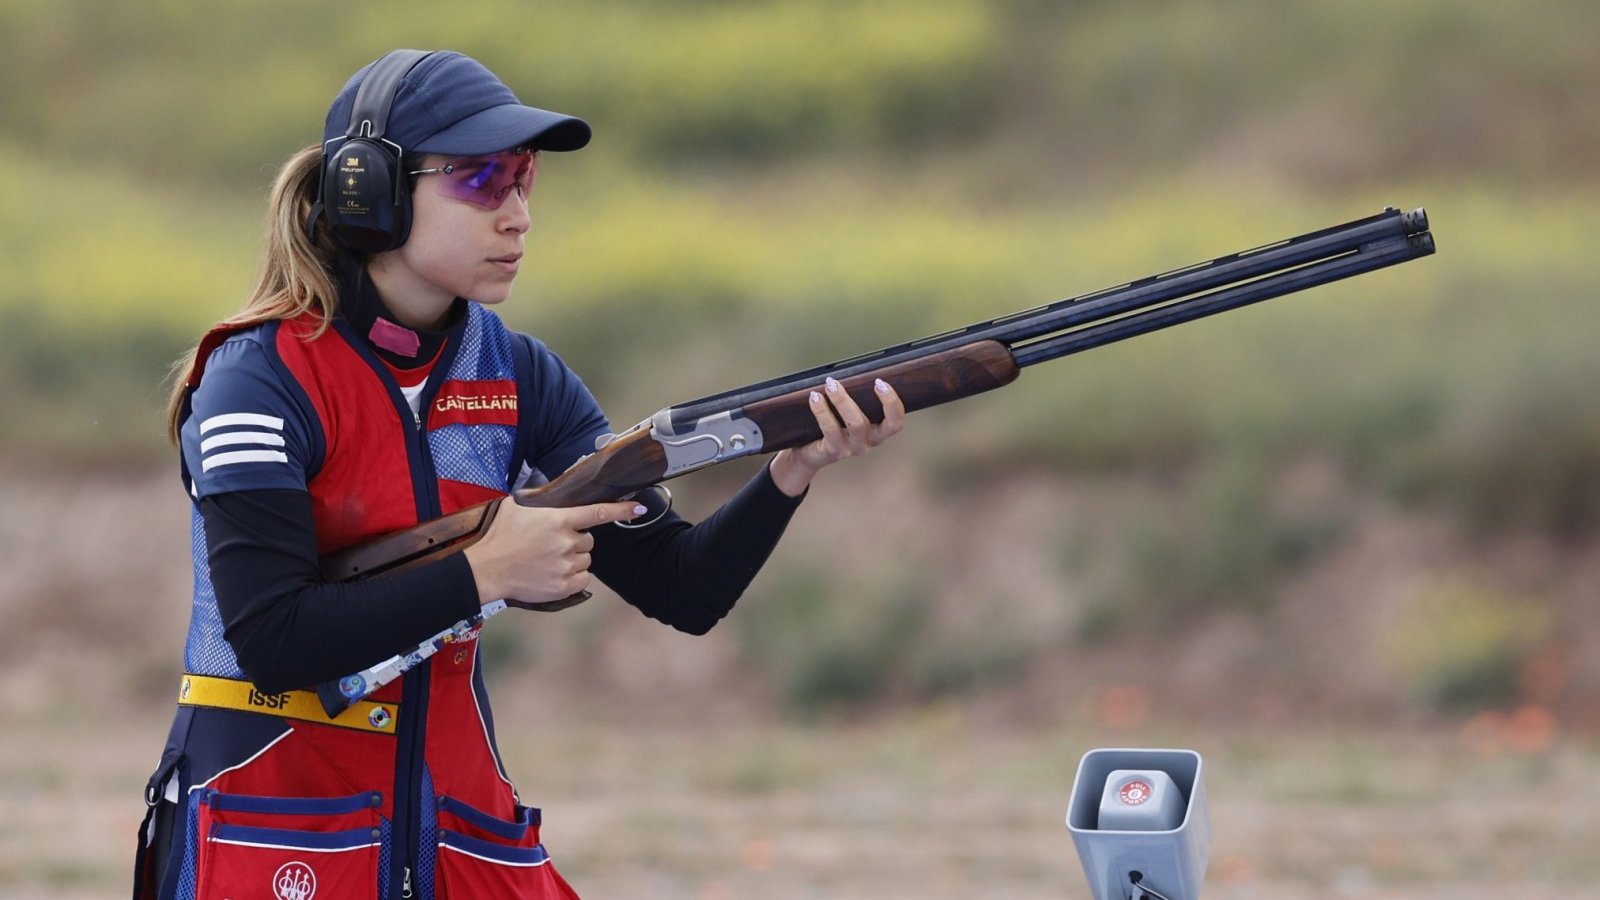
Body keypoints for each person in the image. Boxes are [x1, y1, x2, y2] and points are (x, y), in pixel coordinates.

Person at [133, 49, 903, 900]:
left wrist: (794, 468)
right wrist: (487, 572)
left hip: (458, 832)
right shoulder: (259, 378)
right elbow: (274, 640)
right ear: (371, 193)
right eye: (480, 181)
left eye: (525, 178)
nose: (518, 214)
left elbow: (683, 589)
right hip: (276, 833)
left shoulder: (520, 375)